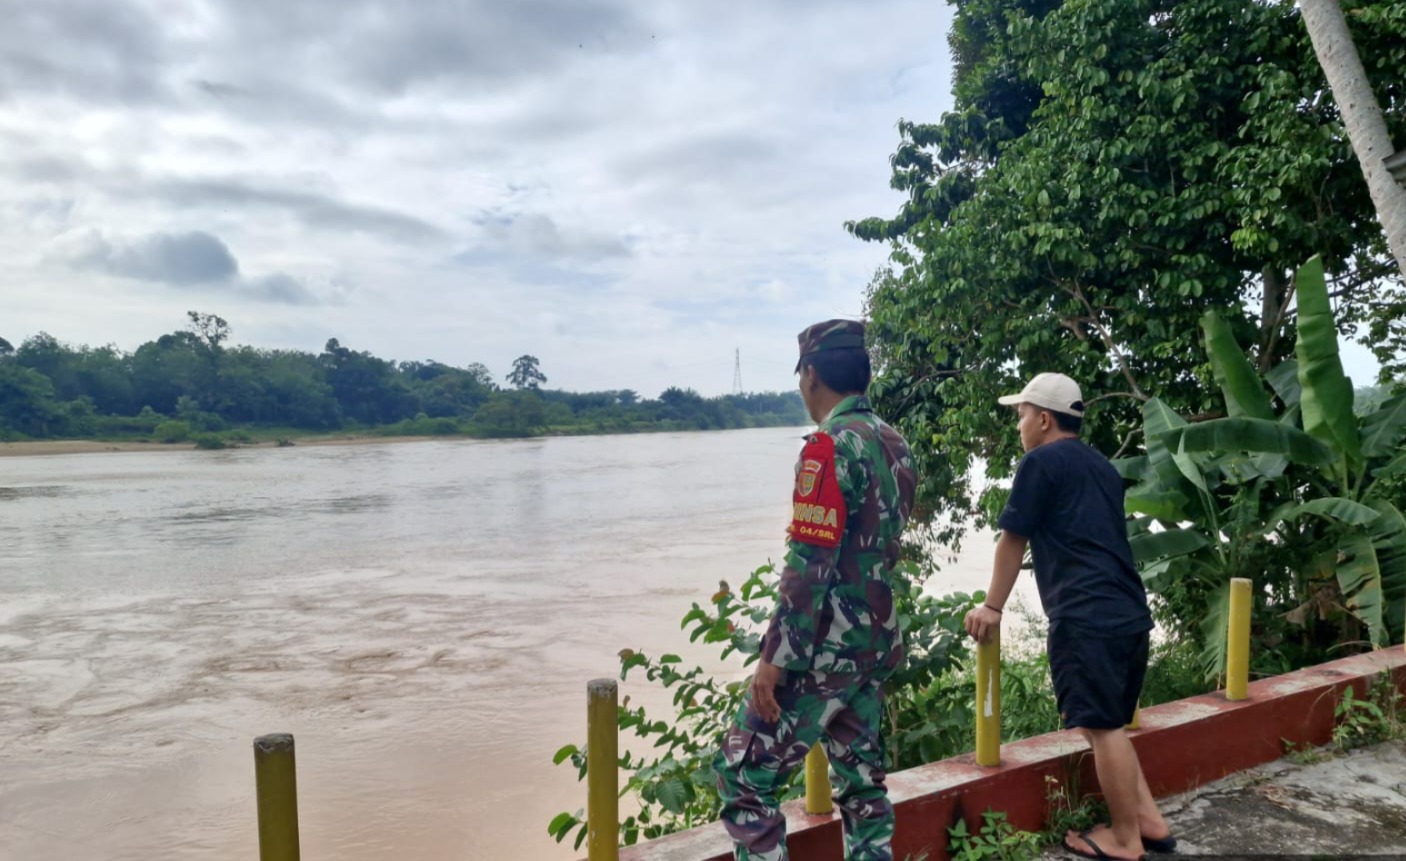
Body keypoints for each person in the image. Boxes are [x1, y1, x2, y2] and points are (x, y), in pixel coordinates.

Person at [714, 319, 917, 861]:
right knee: (862, 784)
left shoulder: (828, 448)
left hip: (824, 650)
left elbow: (810, 565)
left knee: (741, 778)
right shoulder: (895, 443)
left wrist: (774, 659)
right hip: (875, 643)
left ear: (810, 376)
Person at [963, 372, 1175, 861]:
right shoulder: (1101, 466)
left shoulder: (1039, 463)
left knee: (1101, 726)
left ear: (1042, 418)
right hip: (1128, 612)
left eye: (1020, 414)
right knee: (1105, 723)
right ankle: (1147, 821)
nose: (1018, 424)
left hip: (1085, 615)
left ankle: (1124, 840)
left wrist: (992, 607)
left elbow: (1013, 538)